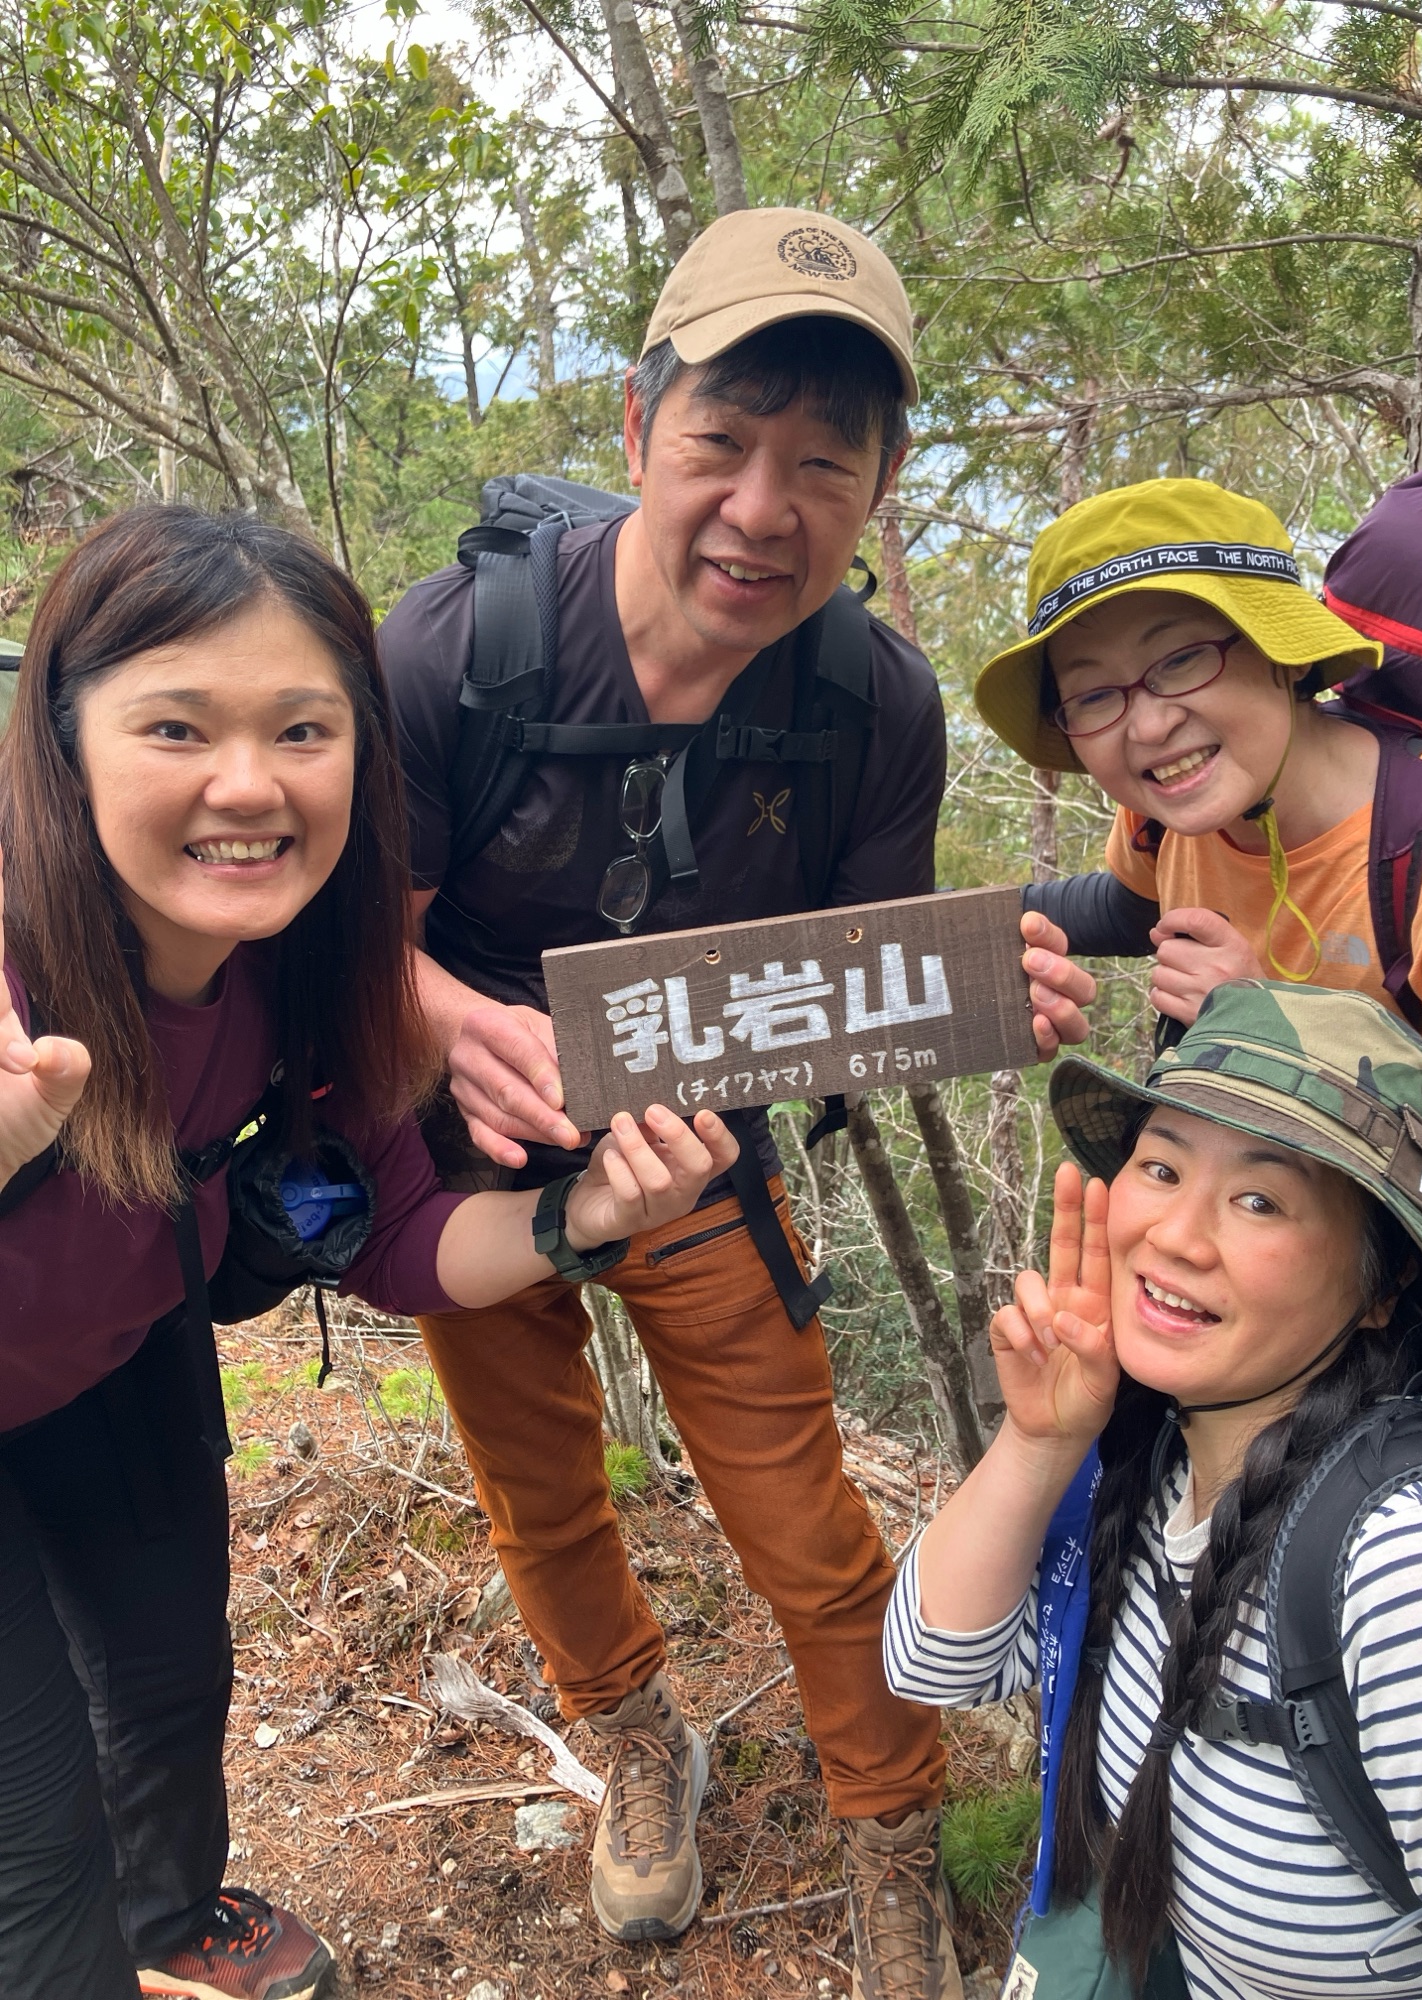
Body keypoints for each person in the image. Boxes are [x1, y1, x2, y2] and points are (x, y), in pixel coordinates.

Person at [379, 204, 1090, 1995]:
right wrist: (452, 1017)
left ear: (879, 489)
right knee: (540, 1490)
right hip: (470, 1165)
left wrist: (967, 991)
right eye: (722, 442)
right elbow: (346, 942)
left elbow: (841, 996)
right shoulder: (463, 651)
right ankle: (635, 1740)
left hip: (698, 1155)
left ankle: (891, 1826)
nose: (764, 509)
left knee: (802, 1520)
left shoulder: (871, 705)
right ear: (639, 430)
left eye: (825, 464)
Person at [0, 505, 734, 2000]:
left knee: (167, 1677)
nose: (248, 783)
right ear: (65, 746)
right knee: (30, 1837)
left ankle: (168, 1925)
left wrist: (585, 1220)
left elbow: (396, 1236)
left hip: (118, 1358)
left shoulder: (307, 968)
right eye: (176, 727)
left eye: (302, 730)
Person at [885, 980, 1422, 1996]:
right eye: (1162, 1167)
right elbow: (930, 1664)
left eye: (1260, 1199)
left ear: (1385, 1284)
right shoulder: (1152, 1453)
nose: (1174, 1234)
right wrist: (1039, 1441)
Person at [975, 476, 1422, 1271]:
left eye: (1182, 659)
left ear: (1282, 651)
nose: (1149, 726)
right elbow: (1128, 906)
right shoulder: (1169, 811)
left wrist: (1269, 1028)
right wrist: (977, 930)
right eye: (1094, 695)